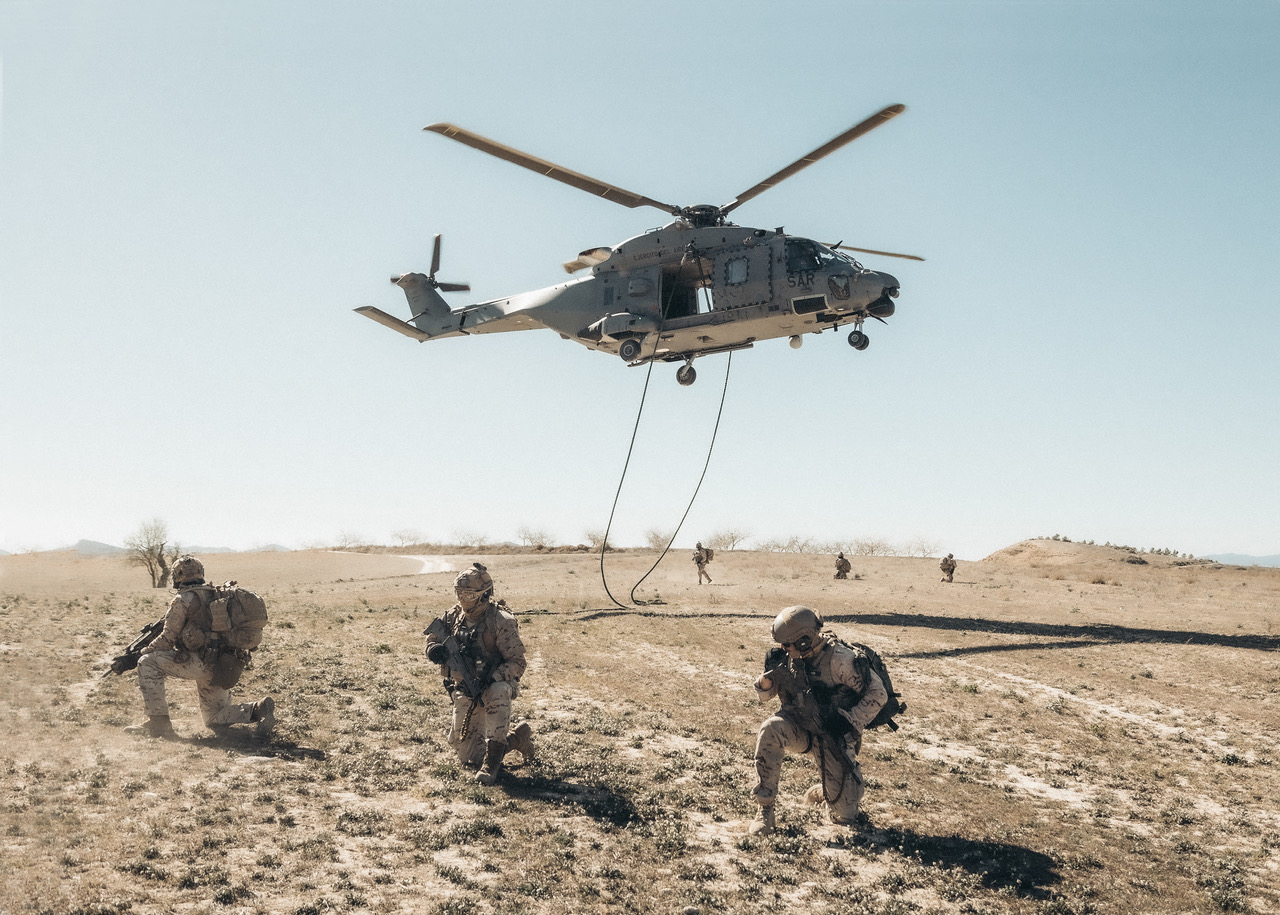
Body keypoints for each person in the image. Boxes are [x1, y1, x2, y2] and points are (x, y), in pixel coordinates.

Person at [749, 606, 887, 837]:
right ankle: (765, 810)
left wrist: (849, 721)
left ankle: (825, 793)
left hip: (833, 735)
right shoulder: (787, 656)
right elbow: (765, 697)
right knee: (770, 729)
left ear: (804, 640)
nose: (782, 648)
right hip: (798, 727)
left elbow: (878, 695)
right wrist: (764, 683)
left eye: (787, 644)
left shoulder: (841, 660)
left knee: (844, 815)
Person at [126, 555, 274, 739]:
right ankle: (258, 709)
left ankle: (158, 724)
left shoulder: (182, 599)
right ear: (201, 573)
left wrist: (140, 653)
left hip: (199, 663)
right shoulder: (216, 593)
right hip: (223, 665)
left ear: (177, 576)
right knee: (213, 718)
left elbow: (167, 638)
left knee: (147, 662)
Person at [424, 562, 535, 784]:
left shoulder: (501, 621)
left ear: (484, 595)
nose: (463, 600)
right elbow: (432, 639)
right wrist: (433, 650)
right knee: (468, 758)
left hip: (494, 685)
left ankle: (492, 760)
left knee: (498, 690)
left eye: (469, 595)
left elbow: (517, 663)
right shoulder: (452, 617)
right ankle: (517, 738)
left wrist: (492, 678)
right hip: (465, 688)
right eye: (459, 594)